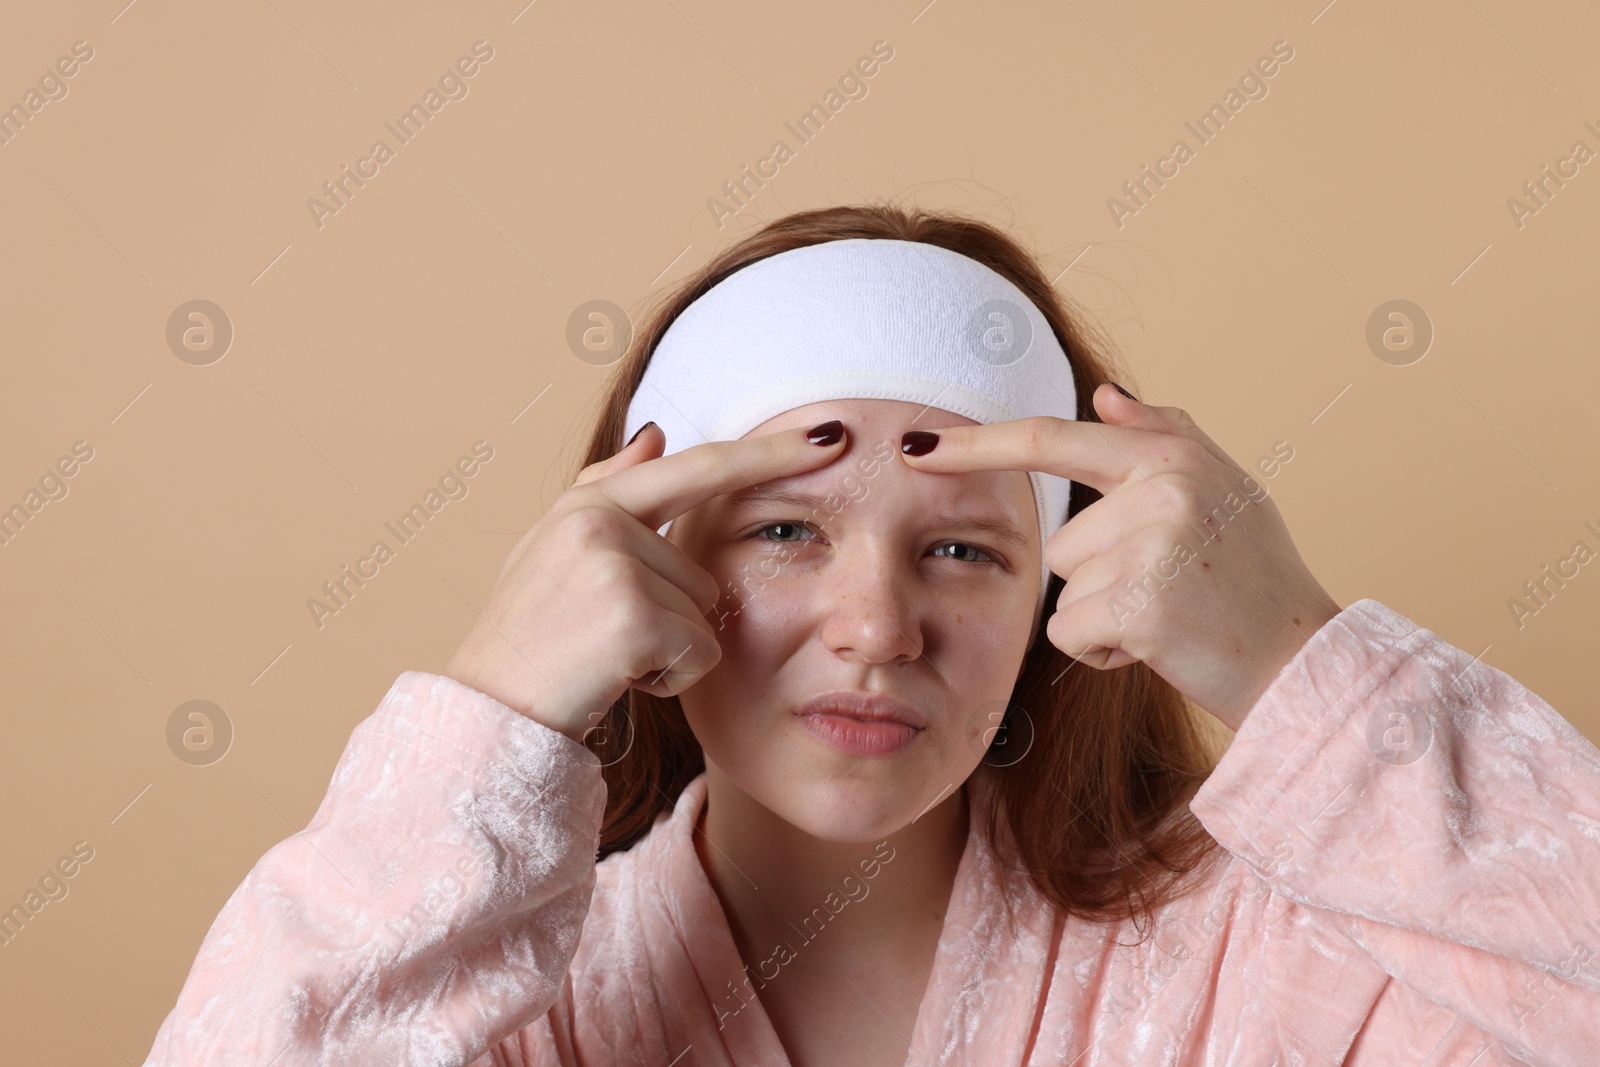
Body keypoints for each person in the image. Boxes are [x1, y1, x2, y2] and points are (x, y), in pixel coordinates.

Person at [140, 206, 1600, 1067]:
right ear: (641, 564)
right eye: (786, 530)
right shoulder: (512, 1012)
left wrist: (1299, 662)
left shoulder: (1286, 972)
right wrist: (489, 716)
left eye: (964, 547)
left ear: (1058, 596)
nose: (875, 624)